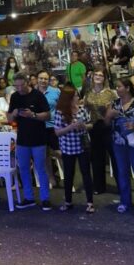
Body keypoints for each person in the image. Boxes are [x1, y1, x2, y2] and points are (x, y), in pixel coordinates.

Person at [105, 78, 134, 215]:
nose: (117, 89)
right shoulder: (113, 104)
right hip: (119, 142)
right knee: (122, 172)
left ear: (127, 88)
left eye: (119, 87)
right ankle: (125, 201)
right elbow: (106, 123)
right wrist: (109, 116)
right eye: (116, 87)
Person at [7, 73, 52, 210]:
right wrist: (14, 114)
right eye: (17, 86)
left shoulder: (38, 95)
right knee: (24, 169)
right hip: (22, 139)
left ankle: (45, 198)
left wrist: (33, 115)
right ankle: (29, 197)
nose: (19, 88)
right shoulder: (15, 97)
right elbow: (9, 119)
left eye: (22, 85)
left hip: (38, 138)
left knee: (40, 169)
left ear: (28, 83)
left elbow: (48, 115)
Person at [54, 84, 94, 213]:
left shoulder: (82, 109)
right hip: (68, 148)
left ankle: (90, 202)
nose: (78, 97)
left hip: (83, 146)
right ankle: (68, 201)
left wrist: (83, 126)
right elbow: (57, 132)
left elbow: (90, 124)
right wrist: (71, 127)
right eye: (75, 96)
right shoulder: (60, 112)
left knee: (86, 174)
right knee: (68, 175)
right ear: (69, 98)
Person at [83, 68, 117, 195]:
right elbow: (85, 108)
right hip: (94, 127)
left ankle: (121, 185)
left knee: (114, 156)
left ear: (104, 78)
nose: (97, 76)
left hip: (108, 126)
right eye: (96, 74)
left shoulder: (110, 93)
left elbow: (116, 109)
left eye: (100, 75)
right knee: (97, 158)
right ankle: (99, 186)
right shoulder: (88, 93)